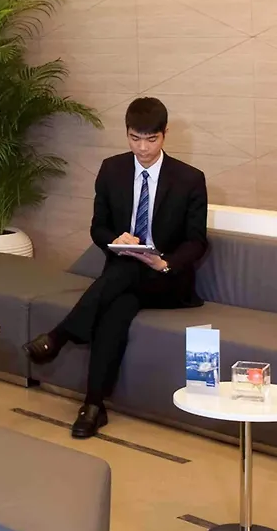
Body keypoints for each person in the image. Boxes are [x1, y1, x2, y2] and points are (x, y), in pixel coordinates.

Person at [23, 97, 208, 439]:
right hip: (124, 276)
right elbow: (98, 228)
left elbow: (197, 242)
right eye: (135, 138)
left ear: (165, 134)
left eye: (151, 139)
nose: (143, 148)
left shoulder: (189, 179)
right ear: (126, 133)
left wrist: (164, 262)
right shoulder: (112, 170)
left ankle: (60, 336)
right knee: (117, 307)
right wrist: (116, 239)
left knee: (125, 274)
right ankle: (93, 406)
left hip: (167, 279)